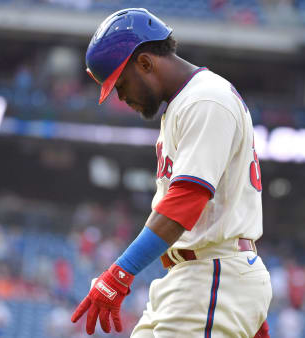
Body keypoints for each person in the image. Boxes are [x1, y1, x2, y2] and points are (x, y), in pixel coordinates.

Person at [71, 8, 272, 337]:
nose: (121, 97)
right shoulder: (186, 103)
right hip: (203, 279)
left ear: (146, 63)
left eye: (121, 84)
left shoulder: (206, 99)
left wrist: (119, 273)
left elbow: (187, 200)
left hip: (213, 274)